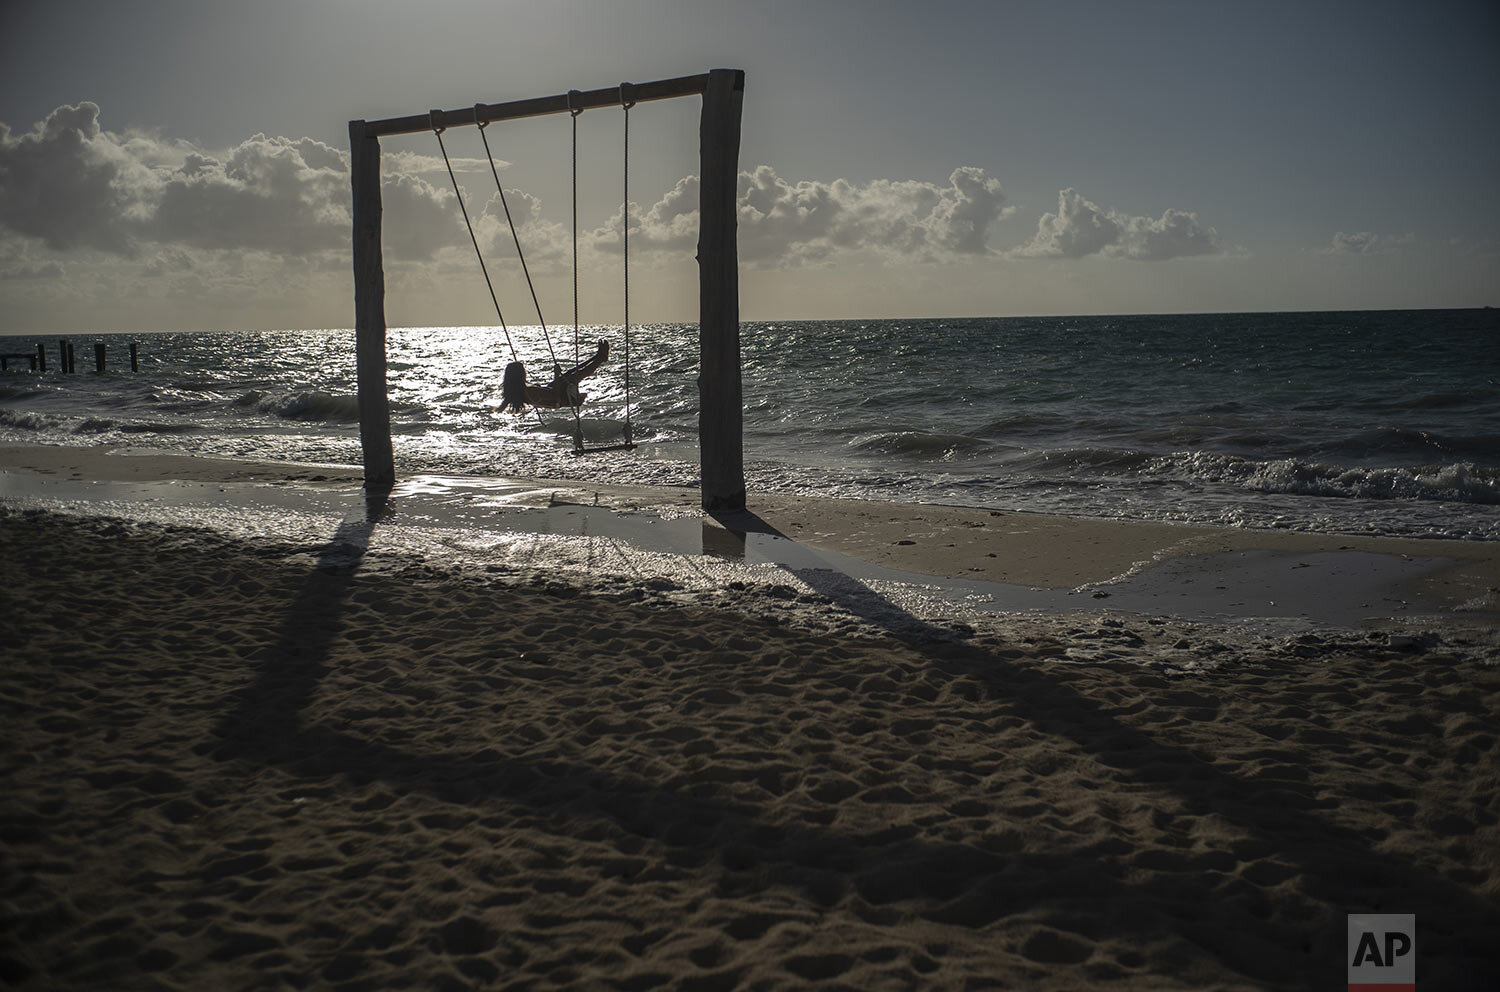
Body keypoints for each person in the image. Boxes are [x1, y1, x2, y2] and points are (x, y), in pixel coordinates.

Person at [497, 340, 610, 413]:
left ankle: (597, 356)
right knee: (574, 376)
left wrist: (496, 412)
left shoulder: (516, 391)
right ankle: (600, 359)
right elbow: (555, 397)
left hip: (556, 394)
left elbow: (502, 407)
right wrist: (556, 375)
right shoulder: (530, 391)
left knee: (568, 373)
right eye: (523, 371)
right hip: (562, 399)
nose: (525, 372)